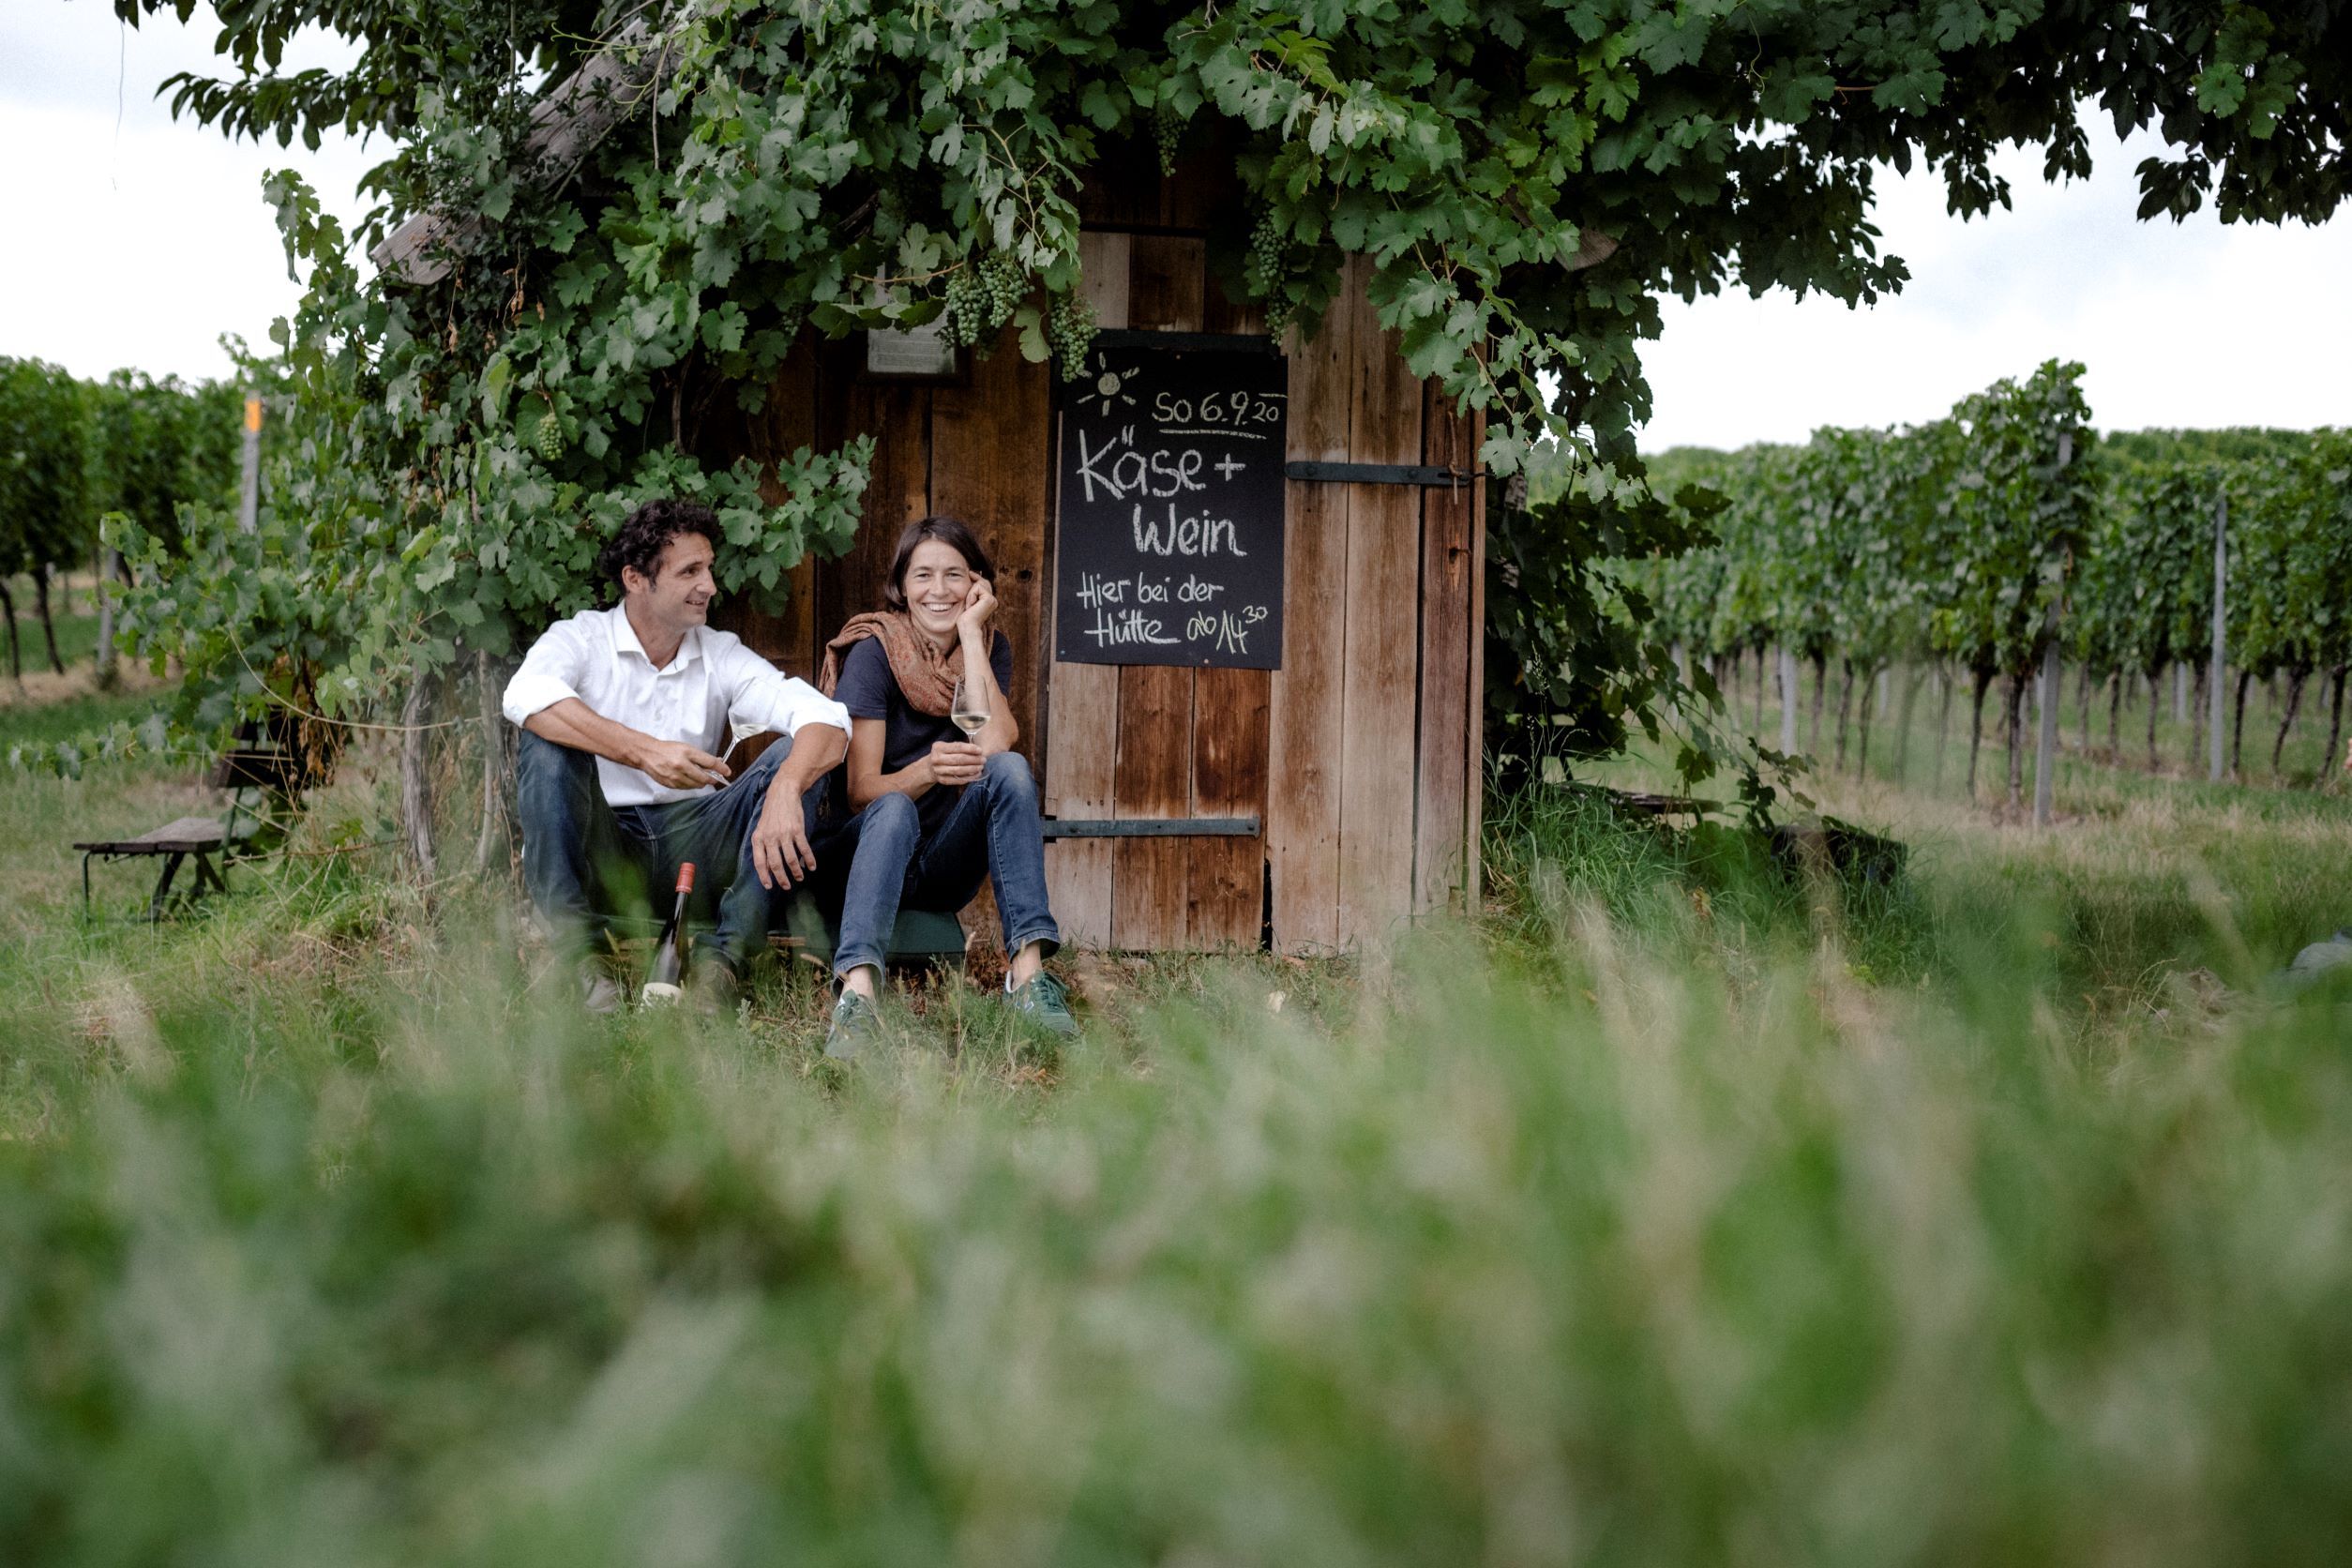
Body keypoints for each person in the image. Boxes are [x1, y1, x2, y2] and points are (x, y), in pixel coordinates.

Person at [503, 498, 850, 1012]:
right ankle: (581, 960)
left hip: (695, 848)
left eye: (709, 568)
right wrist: (645, 753)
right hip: (604, 847)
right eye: (690, 571)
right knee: (547, 737)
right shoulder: (581, 638)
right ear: (635, 579)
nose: (709, 585)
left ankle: (723, 964)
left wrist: (786, 786)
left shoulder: (720, 652)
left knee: (792, 758)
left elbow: (829, 721)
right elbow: (524, 695)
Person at [815, 515, 1074, 1057]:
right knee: (894, 809)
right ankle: (857, 998)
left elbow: (996, 745)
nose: (939, 590)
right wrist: (926, 771)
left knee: (1011, 770)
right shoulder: (875, 653)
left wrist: (972, 635)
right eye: (923, 575)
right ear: (902, 586)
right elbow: (860, 792)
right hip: (863, 858)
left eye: (954, 575)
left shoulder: (987, 648)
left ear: (976, 583)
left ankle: (1027, 979)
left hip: (937, 865)